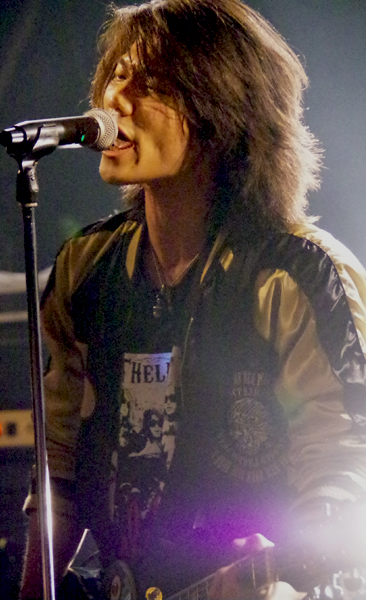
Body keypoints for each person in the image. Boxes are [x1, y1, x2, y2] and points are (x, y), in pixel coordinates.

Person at [19, 0, 366, 598]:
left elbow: (344, 465)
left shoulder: (300, 276)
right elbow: (60, 468)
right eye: (117, 75)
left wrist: (287, 578)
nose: (113, 101)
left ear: (220, 111)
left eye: (150, 84)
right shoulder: (86, 268)